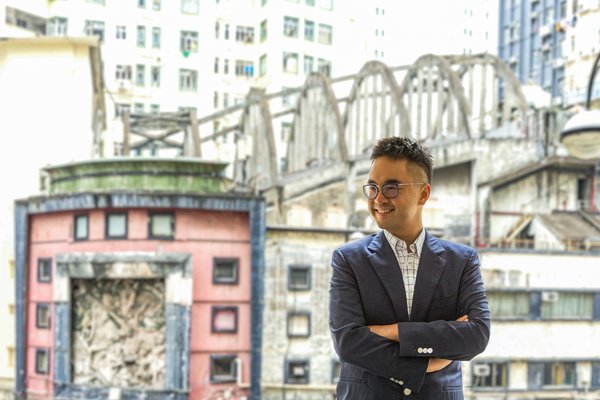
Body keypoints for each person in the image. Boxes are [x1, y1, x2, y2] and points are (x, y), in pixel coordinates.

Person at [329, 136, 490, 399]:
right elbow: (348, 343)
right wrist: (426, 363)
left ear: (423, 193)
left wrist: (393, 331)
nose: (378, 199)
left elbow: (476, 335)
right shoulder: (348, 259)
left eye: (391, 188)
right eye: (372, 188)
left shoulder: (462, 261)